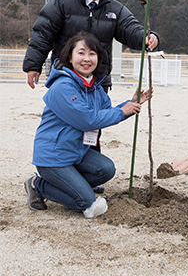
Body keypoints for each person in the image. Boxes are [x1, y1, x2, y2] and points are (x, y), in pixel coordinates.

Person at [24, 32, 152, 218]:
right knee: (85, 202)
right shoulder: (63, 86)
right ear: (70, 56)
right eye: (81, 53)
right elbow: (87, 120)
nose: (87, 59)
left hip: (76, 151)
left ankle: (71, 184)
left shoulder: (94, 86)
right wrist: (123, 111)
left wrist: (129, 104)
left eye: (92, 54)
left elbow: (105, 113)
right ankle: (38, 184)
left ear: (99, 58)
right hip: (54, 157)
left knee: (106, 169)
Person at [23, 0, 159, 91]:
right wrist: (33, 66)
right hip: (64, 77)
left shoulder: (116, 10)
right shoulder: (62, 2)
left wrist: (147, 37)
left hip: (98, 81)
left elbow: (130, 28)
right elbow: (42, 35)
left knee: (100, 113)